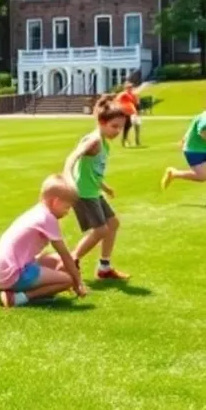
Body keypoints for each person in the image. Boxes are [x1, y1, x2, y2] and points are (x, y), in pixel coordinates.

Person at [63, 95, 131, 282]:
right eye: (114, 126)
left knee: (113, 224)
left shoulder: (104, 143)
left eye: (121, 127)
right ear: (102, 122)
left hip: (93, 191)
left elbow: (91, 171)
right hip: (83, 193)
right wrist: (67, 177)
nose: (118, 131)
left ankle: (104, 268)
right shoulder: (94, 141)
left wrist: (105, 187)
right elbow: (72, 158)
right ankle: (71, 260)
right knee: (101, 230)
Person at [0, 175, 83, 308]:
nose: (67, 212)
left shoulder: (38, 211)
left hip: (3, 272)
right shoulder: (48, 219)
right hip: (14, 274)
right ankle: (18, 298)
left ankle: (11, 290)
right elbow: (65, 254)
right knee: (67, 280)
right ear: (55, 202)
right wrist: (78, 282)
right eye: (66, 207)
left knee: (56, 260)